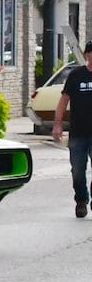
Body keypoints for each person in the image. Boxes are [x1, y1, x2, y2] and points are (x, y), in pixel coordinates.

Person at [50, 39, 92, 217]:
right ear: (87, 55)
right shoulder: (76, 75)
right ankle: (81, 200)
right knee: (77, 171)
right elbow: (63, 101)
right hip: (78, 133)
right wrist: (57, 124)